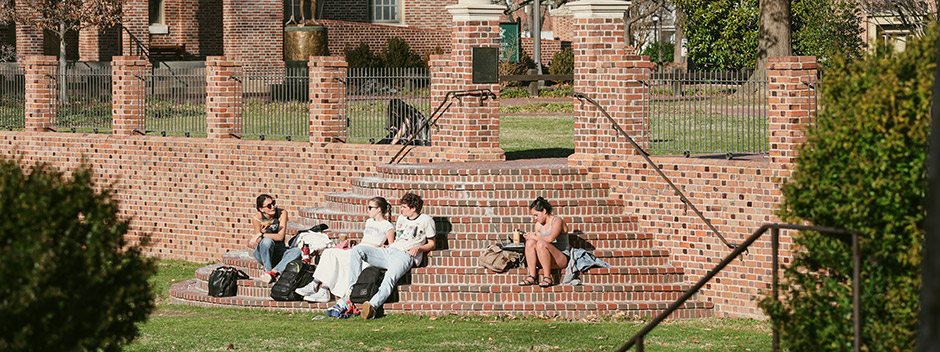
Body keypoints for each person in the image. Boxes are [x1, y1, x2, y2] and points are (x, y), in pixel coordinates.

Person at [347, 192, 436, 319]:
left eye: (404, 207)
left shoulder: (426, 220)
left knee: (389, 278)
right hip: (390, 251)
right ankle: (353, 289)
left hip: (405, 256)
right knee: (358, 250)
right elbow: (398, 239)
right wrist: (389, 246)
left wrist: (419, 247)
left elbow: (432, 244)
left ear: (413, 208)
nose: (401, 209)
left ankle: (372, 306)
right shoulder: (401, 219)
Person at [294, 197, 395, 303]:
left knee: (341, 260)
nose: (368, 210)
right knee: (329, 252)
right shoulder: (369, 222)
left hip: (369, 254)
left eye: (370, 207)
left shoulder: (387, 226)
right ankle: (315, 284)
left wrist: (383, 247)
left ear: (379, 209)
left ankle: (324, 290)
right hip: (358, 249)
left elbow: (392, 247)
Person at [249, 194, 302, 283]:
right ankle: (268, 269)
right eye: (269, 206)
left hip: (279, 251)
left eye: (273, 203)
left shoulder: (282, 213)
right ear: (261, 209)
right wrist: (261, 235)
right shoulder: (257, 218)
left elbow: (280, 237)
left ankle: (272, 273)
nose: (273, 207)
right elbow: (259, 241)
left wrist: (262, 234)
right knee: (267, 241)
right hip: (264, 253)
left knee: (297, 251)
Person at [518, 196, 569, 288]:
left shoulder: (557, 221)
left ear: (544, 211)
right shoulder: (538, 225)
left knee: (541, 243)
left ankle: (547, 277)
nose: (535, 218)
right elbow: (536, 240)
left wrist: (533, 236)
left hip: (560, 257)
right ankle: (532, 276)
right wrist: (530, 238)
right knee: (530, 243)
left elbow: (550, 239)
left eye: (536, 215)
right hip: (544, 258)